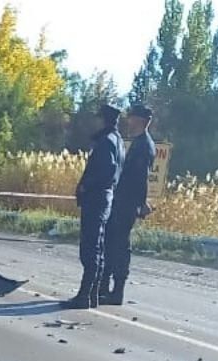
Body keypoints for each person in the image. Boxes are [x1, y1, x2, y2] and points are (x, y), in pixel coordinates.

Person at [63, 103, 123, 309]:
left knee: (90, 248)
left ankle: (84, 295)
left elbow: (104, 173)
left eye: (98, 118)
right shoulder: (117, 140)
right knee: (98, 246)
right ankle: (93, 294)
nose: (94, 122)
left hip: (96, 199)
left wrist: (85, 187)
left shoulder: (106, 142)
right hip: (105, 198)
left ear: (103, 120)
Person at [102, 103, 156, 306]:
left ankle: (116, 292)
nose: (129, 121)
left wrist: (141, 204)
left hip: (126, 204)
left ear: (141, 120)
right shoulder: (139, 142)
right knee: (113, 243)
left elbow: (141, 178)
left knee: (119, 246)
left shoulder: (144, 145)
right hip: (123, 201)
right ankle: (107, 288)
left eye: (132, 118)